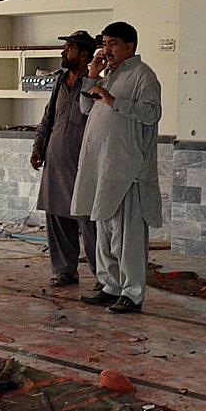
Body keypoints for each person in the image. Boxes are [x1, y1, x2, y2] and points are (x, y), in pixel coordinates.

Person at [74, 21, 163, 314]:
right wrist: (92, 75)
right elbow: (86, 109)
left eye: (112, 44)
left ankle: (132, 293)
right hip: (104, 168)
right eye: (105, 43)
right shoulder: (109, 75)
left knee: (129, 238)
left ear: (130, 46)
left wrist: (114, 100)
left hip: (128, 170)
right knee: (104, 231)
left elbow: (151, 114)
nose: (106, 49)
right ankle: (110, 286)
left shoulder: (143, 76)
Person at [32, 30, 99, 287]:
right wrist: (39, 147)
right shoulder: (60, 81)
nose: (63, 52)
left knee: (88, 220)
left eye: (69, 48)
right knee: (57, 216)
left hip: (82, 162)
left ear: (83, 55)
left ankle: (102, 276)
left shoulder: (95, 82)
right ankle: (65, 270)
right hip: (56, 159)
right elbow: (48, 117)